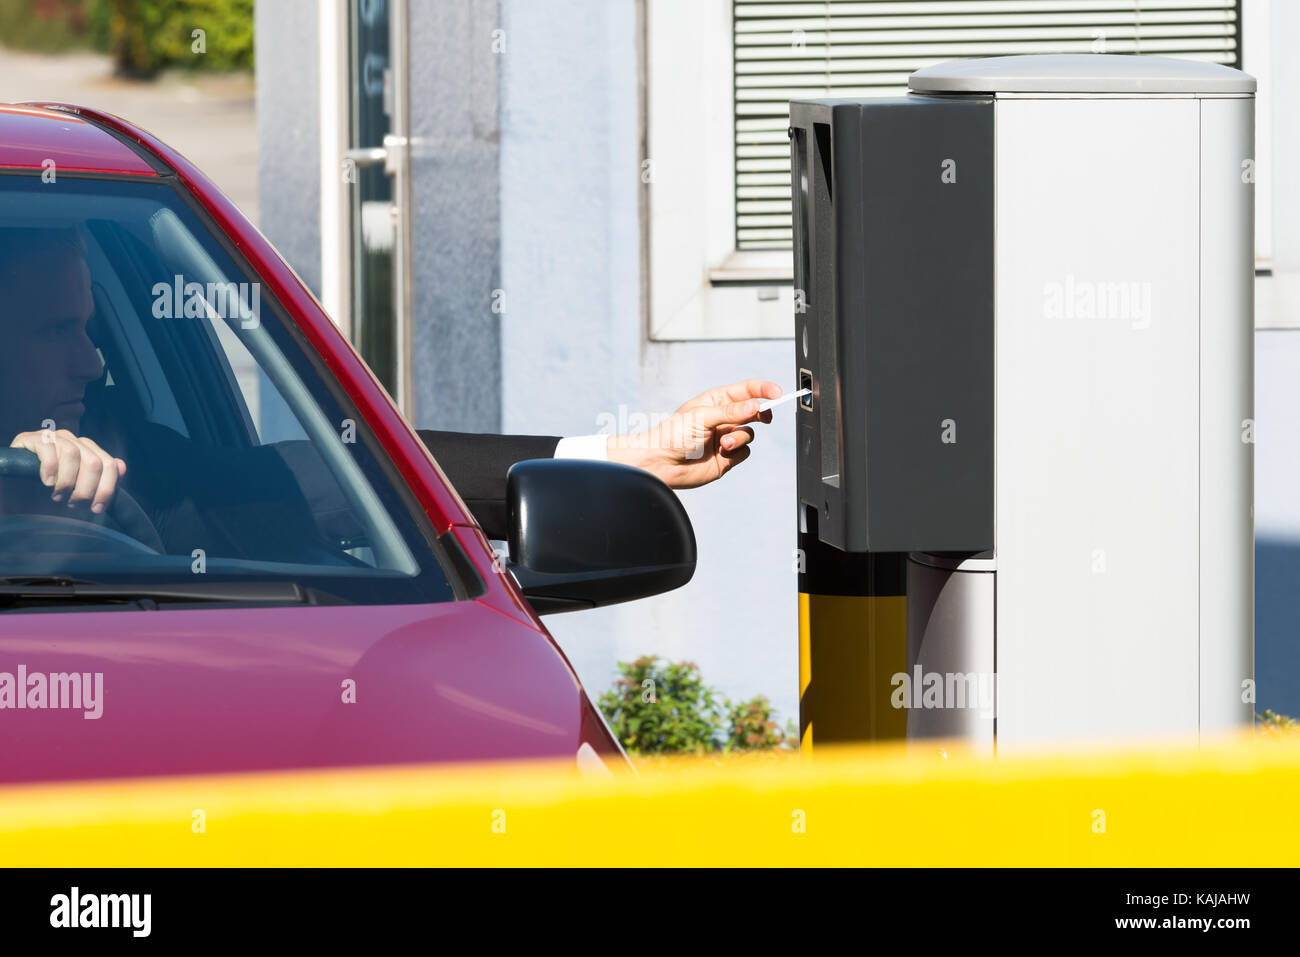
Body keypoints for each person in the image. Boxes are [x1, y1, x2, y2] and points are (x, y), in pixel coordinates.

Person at [1, 228, 781, 544]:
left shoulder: (143, 462)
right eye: (54, 331)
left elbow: (342, 476)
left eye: (91, 330)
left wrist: (624, 457)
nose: (93, 364)